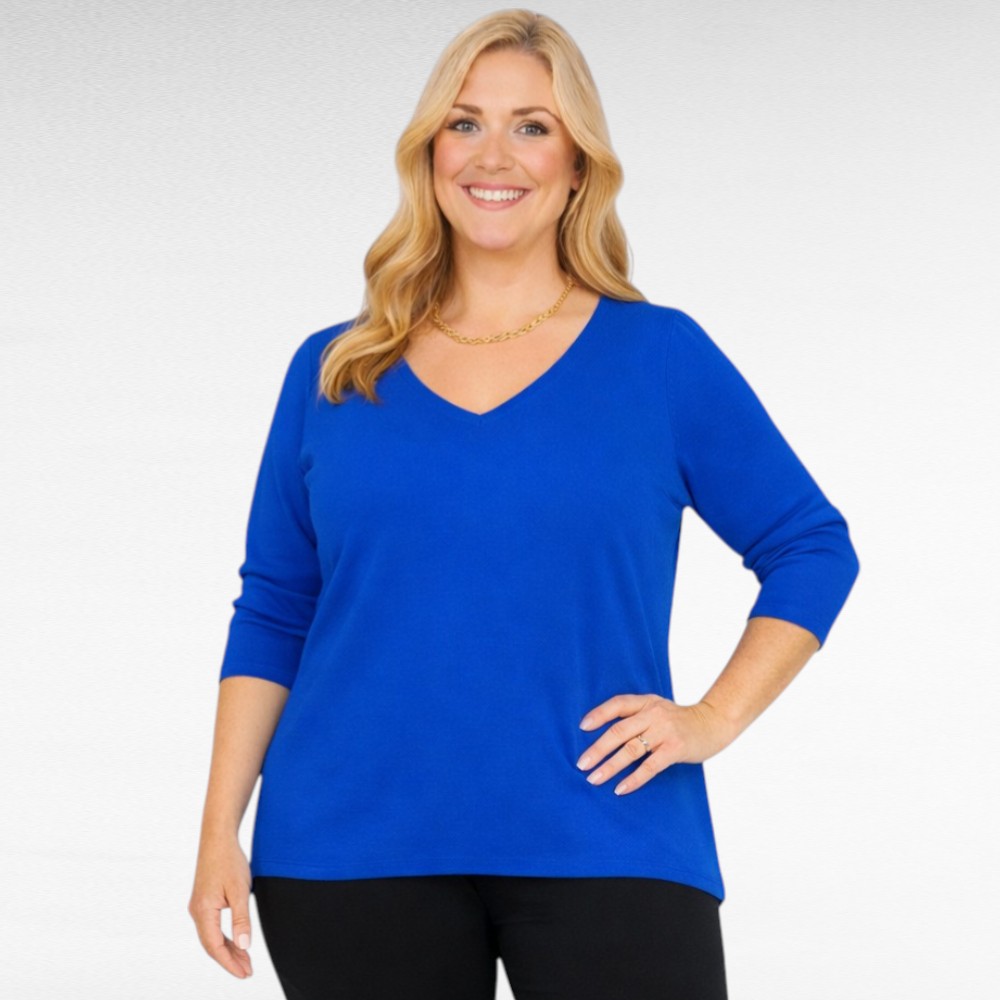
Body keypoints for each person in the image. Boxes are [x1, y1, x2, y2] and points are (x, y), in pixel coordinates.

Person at [188, 9, 859, 999]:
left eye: (531, 126)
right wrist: (218, 833)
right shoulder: (335, 371)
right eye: (464, 123)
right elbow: (276, 608)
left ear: (578, 165)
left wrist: (713, 718)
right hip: (347, 844)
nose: (492, 155)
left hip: (610, 829)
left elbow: (811, 545)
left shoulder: (659, 358)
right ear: (429, 153)